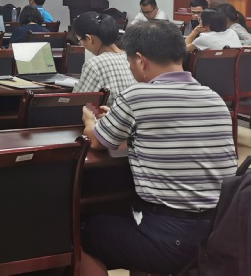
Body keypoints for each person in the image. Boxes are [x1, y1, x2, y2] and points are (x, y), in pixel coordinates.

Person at [80, 20, 237, 276]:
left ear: (141, 61)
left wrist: (90, 121)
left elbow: (97, 141)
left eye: (130, 62)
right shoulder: (213, 97)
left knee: (83, 232)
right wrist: (119, 119)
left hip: (171, 238)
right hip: (220, 232)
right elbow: (169, 134)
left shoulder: (137, 96)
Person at [71, 11, 135, 106]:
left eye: (79, 40)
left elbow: (76, 102)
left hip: (107, 114)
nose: (81, 44)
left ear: (89, 38)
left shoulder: (95, 64)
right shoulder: (130, 57)